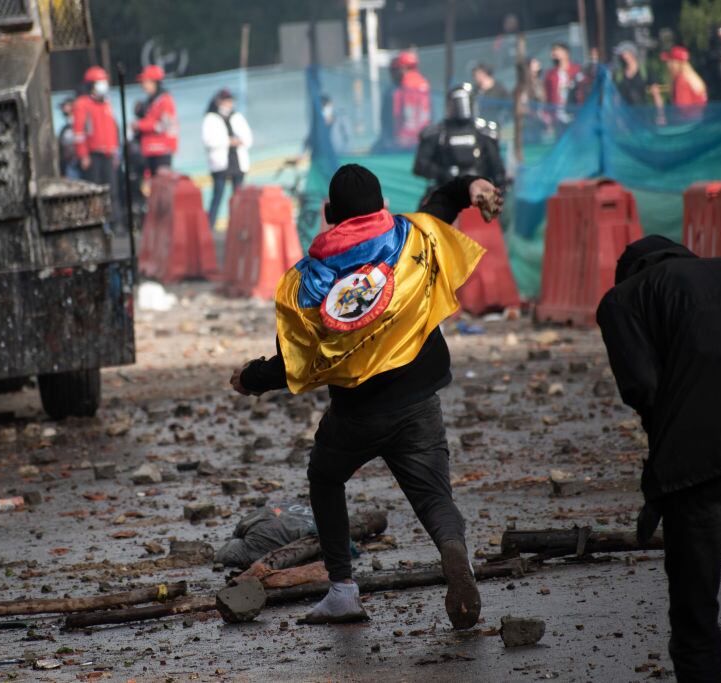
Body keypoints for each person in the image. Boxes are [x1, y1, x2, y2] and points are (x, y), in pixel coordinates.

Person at [231, 163, 502, 627]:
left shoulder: (308, 282)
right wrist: (472, 187)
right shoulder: (414, 238)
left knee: (325, 475)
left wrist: (250, 379)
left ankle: (343, 591)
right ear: (382, 206)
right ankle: (456, 555)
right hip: (419, 400)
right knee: (434, 496)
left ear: (329, 213)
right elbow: (441, 202)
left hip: (356, 414)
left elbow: (296, 362)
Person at [596, 235, 721, 682]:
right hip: (697, 463)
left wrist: (661, 474)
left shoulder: (622, 300)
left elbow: (643, 388)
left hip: (698, 470)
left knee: (696, 620)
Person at [414, 84, 506, 202]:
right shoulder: (437, 134)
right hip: (445, 193)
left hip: (479, 197)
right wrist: (444, 173)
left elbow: (497, 171)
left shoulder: (484, 133)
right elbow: (420, 166)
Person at [202, 89, 253, 229]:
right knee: (217, 196)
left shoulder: (237, 117)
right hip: (220, 164)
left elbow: (248, 138)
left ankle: (238, 226)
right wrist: (228, 141)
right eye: (226, 100)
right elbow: (208, 141)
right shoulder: (210, 118)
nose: (229, 104)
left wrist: (238, 141)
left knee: (238, 198)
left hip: (237, 162)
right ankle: (209, 227)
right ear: (219, 101)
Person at [71, 67, 119, 191]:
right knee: (94, 190)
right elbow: (78, 133)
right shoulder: (82, 104)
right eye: (100, 82)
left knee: (111, 190)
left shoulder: (106, 104)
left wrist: (114, 151)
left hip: (108, 155)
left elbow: (112, 129)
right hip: (92, 156)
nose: (104, 85)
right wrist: (83, 155)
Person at [134, 64, 178, 176]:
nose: (143, 85)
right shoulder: (149, 101)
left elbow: (164, 126)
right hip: (149, 150)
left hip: (161, 151)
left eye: (145, 82)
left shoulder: (165, 100)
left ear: (155, 82)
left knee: (162, 186)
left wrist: (140, 125)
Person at [388, 51, 431, 149]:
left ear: (402, 68)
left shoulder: (401, 88)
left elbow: (397, 115)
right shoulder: (425, 84)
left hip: (405, 139)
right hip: (424, 136)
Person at [661, 45, 708, 119]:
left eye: (670, 61)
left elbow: (683, 110)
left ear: (676, 63)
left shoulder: (681, 81)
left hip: (688, 124)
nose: (668, 65)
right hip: (698, 123)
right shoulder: (692, 78)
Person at [544, 42, 581, 130]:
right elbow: (547, 96)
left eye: (557, 50)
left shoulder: (577, 70)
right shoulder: (550, 75)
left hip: (576, 115)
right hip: (558, 118)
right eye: (553, 51)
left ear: (566, 53)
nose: (554, 53)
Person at [612, 41, 652, 106]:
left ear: (631, 54)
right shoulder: (619, 74)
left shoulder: (645, 71)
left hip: (643, 112)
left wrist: (660, 114)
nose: (622, 57)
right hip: (625, 113)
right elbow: (616, 96)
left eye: (624, 54)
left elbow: (655, 93)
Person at [57, 97, 79, 179]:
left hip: (79, 163)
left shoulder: (81, 125)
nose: (63, 109)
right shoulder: (65, 129)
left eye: (65, 106)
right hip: (70, 164)